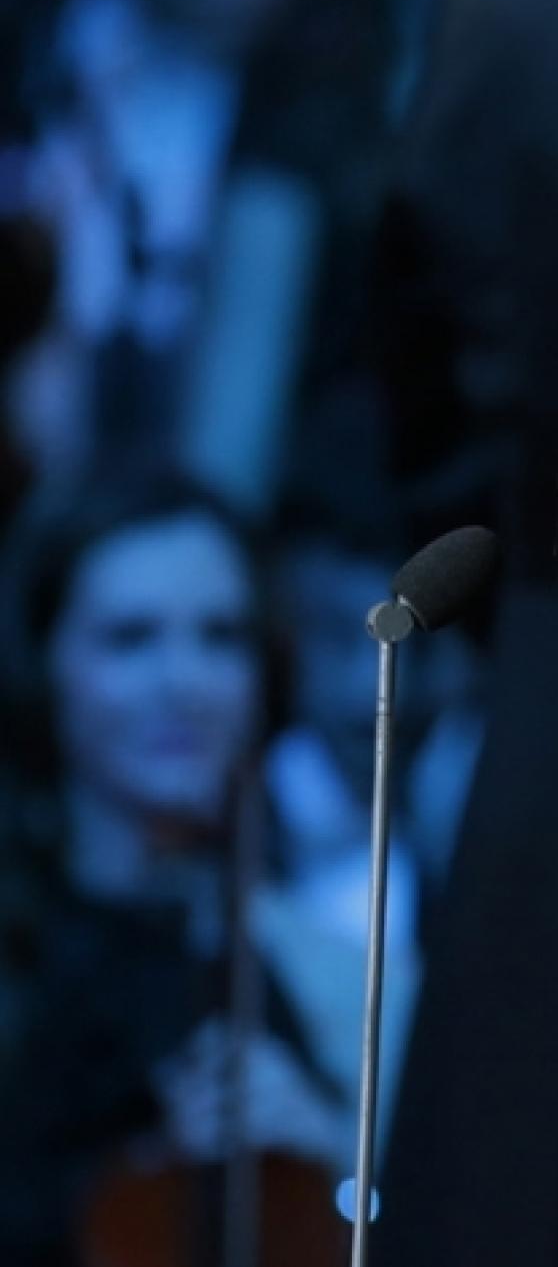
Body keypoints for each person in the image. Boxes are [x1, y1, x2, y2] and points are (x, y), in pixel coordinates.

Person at [0, 475, 346, 1263]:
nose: (184, 683)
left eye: (222, 637)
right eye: (130, 637)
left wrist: (324, 1168)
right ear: (40, 663)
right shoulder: (27, 958)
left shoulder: (302, 968)